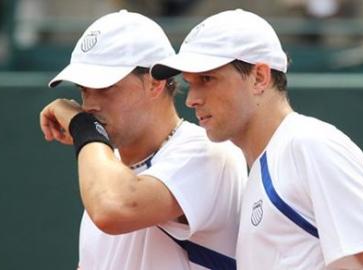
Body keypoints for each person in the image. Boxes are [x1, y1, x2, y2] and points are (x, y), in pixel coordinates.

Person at [151, 9, 363, 270]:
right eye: (190, 83)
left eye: (207, 79)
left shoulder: (310, 145)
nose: (191, 99)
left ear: (259, 77)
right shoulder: (265, 167)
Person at [39, 10, 247, 270]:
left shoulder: (209, 152)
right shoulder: (107, 169)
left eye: (105, 88)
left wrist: (83, 127)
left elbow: (112, 208)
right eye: (84, 90)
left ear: (155, 83)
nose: (89, 104)